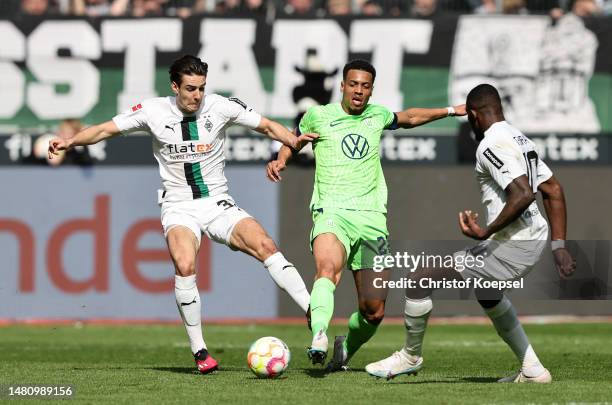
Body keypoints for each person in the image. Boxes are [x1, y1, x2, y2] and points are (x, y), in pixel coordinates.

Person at [48, 55, 316, 374]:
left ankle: (317, 315)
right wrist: (69, 142)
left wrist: (292, 141)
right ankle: (200, 352)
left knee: (267, 247)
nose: (197, 96)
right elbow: (105, 130)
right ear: (175, 86)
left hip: (217, 202)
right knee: (185, 264)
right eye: (190, 89)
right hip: (178, 206)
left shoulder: (220, 107)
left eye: (201, 88)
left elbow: (268, 125)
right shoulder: (152, 111)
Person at [365, 83, 576, 382]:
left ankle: (409, 356)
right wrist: (559, 246)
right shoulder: (519, 137)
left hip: (513, 244)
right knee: (488, 293)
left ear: (474, 115)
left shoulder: (490, 145)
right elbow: (552, 190)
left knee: (420, 278)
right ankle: (532, 370)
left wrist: (485, 231)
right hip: (533, 238)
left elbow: (523, 194)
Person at [266, 59, 466, 369]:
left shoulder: (378, 115)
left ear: (371, 90)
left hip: (372, 219)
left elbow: (410, 117)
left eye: (365, 86)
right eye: (354, 84)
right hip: (332, 212)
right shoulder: (318, 116)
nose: (359, 90)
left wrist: (451, 111)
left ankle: (345, 348)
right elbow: (293, 142)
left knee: (374, 311)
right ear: (342, 85)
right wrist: (281, 160)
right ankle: (318, 334)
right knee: (327, 269)